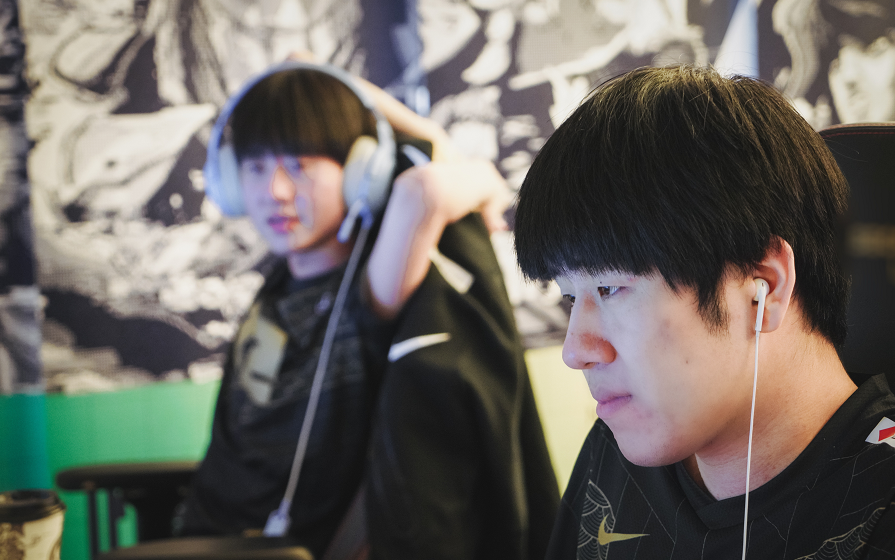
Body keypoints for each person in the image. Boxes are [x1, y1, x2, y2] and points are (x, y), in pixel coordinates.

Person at [176, 61, 560, 560]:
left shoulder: (372, 288)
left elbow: (423, 190)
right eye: (255, 167)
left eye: (299, 165)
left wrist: (335, 80)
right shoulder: (277, 287)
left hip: (269, 547)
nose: (275, 191)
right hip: (209, 524)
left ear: (362, 173)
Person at [513, 65, 895, 559]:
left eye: (609, 288)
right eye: (571, 298)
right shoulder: (621, 445)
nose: (576, 351)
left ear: (763, 287)